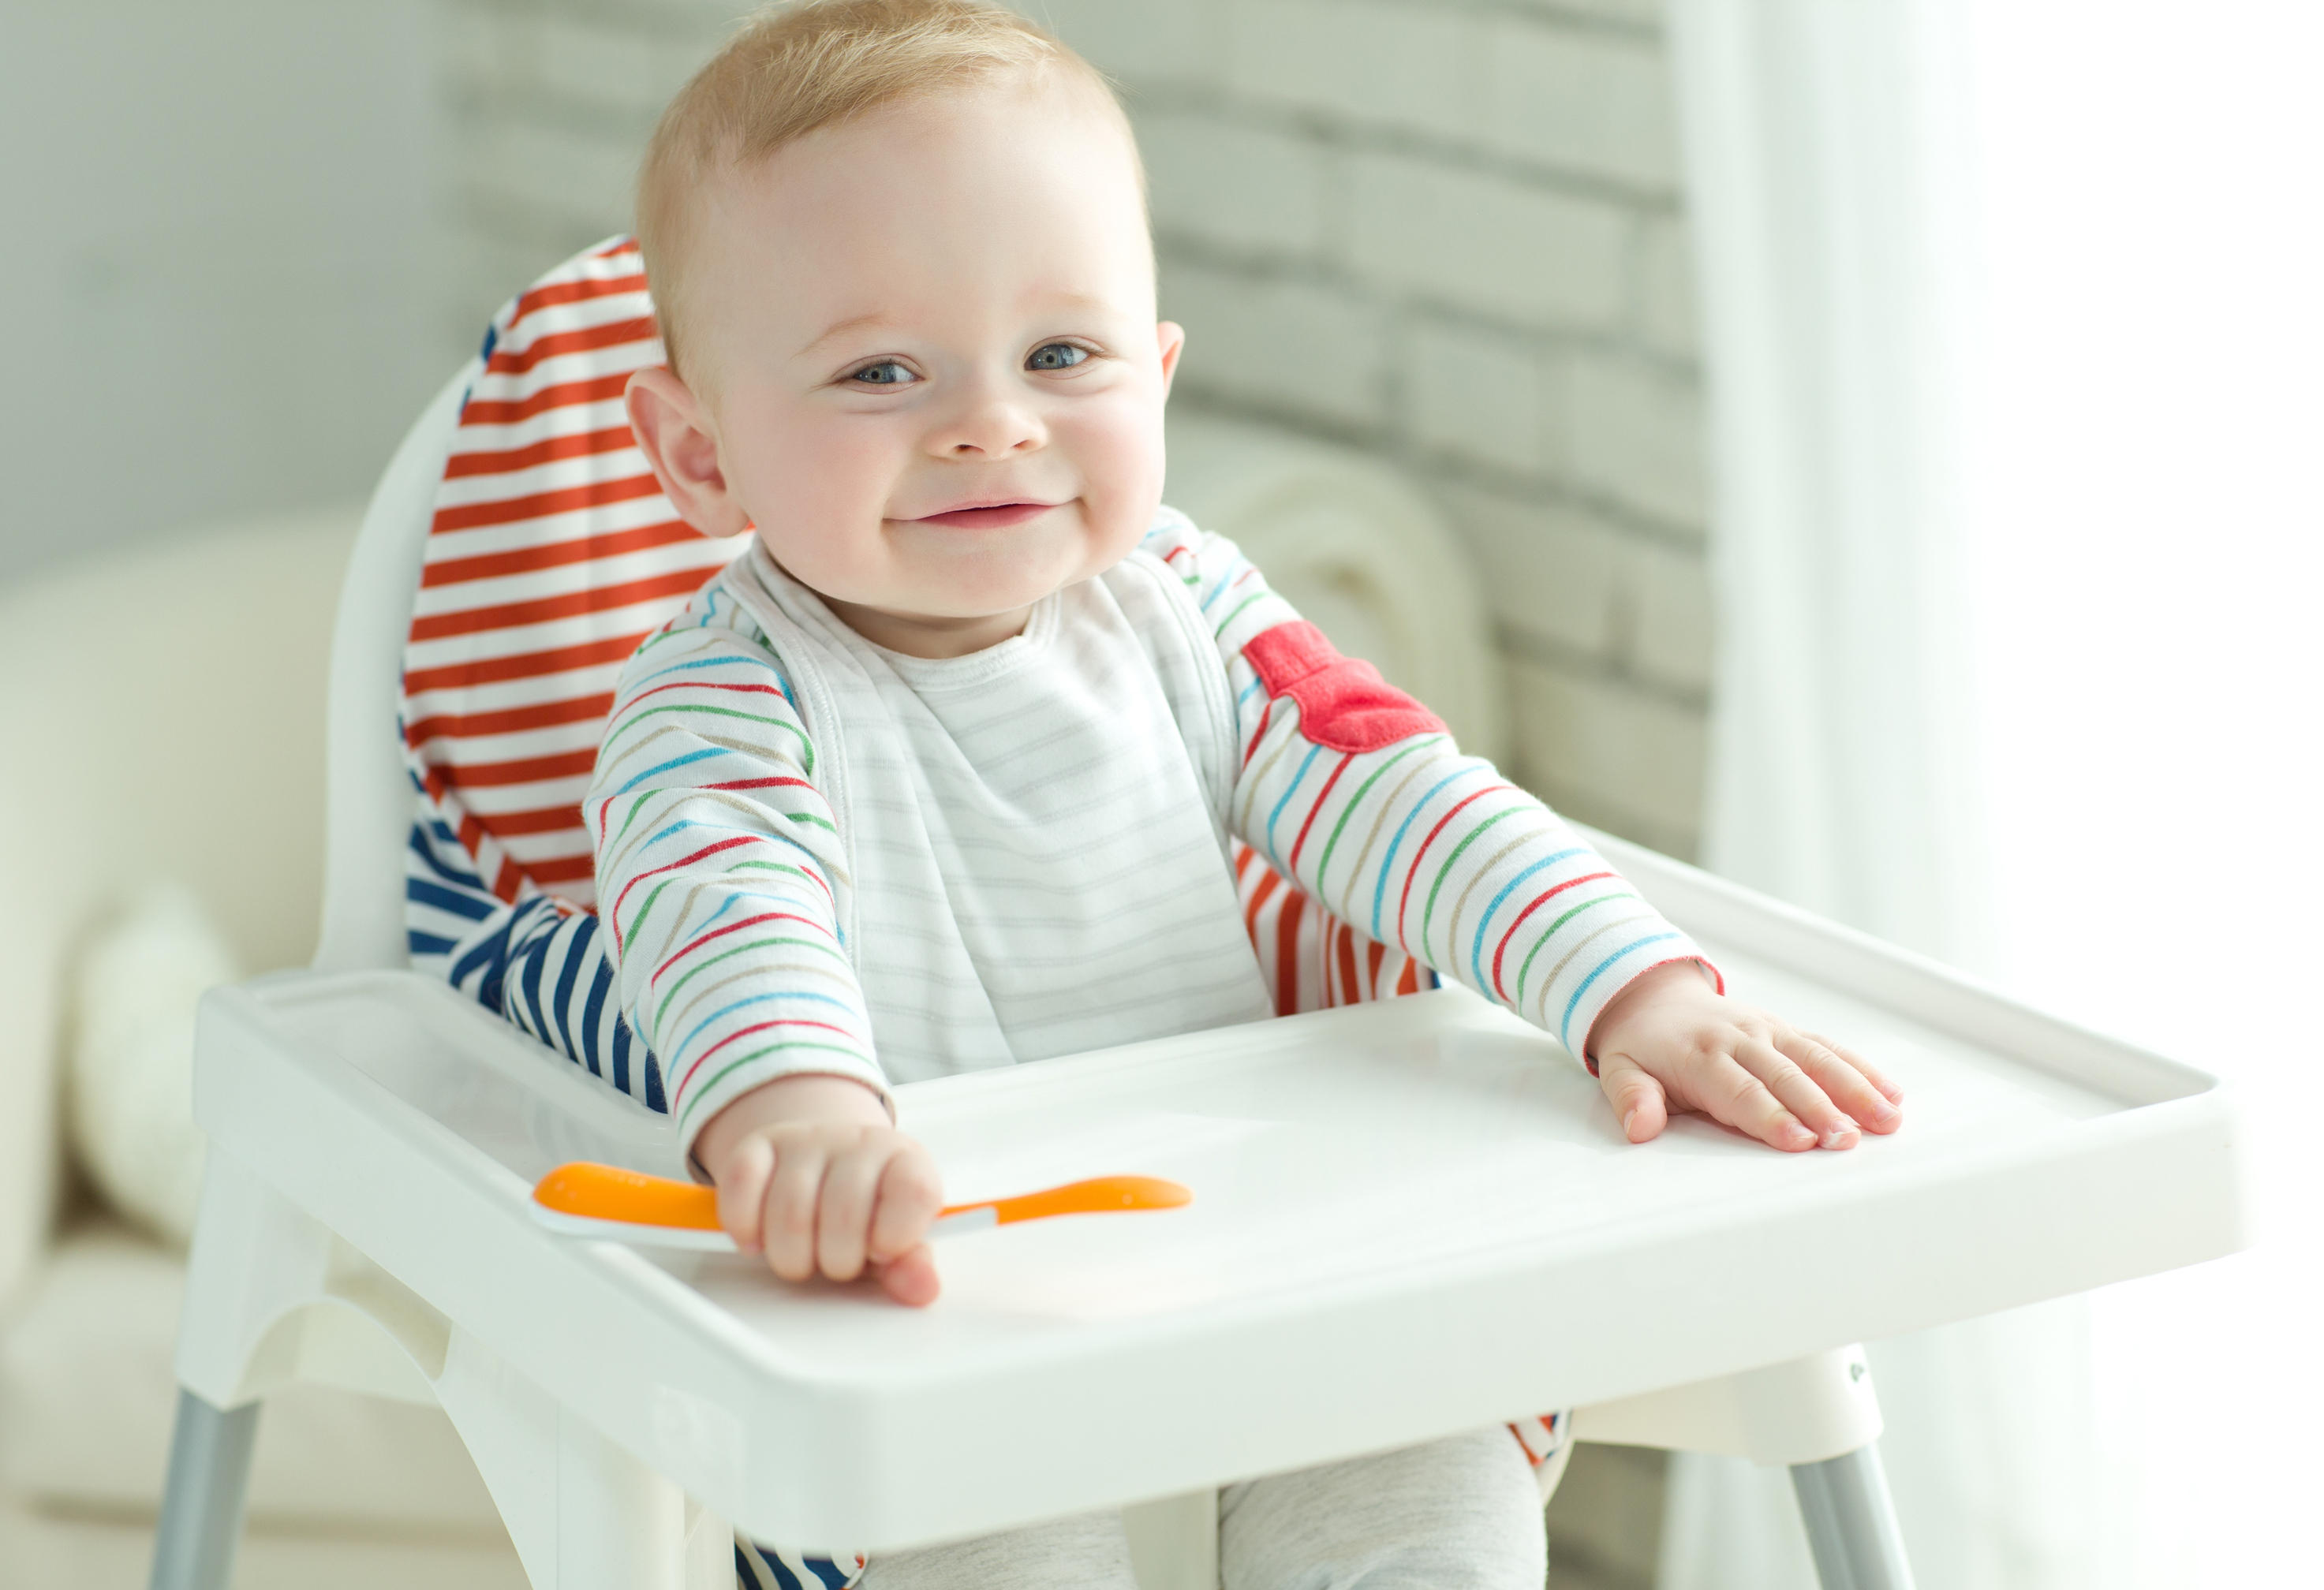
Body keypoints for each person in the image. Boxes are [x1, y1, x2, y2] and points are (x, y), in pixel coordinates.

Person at [590, 2, 1904, 1584]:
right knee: (1000, 1546)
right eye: (881, 370)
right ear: (699, 453)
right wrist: (799, 1121)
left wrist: (1626, 988)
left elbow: (1399, 795)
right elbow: (726, 907)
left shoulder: (1182, 606)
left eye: (1059, 354)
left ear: (1154, 371)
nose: (991, 419)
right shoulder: (720, 701)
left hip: (1272, 1258)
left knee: (1428, 1482)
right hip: (941, 1299)